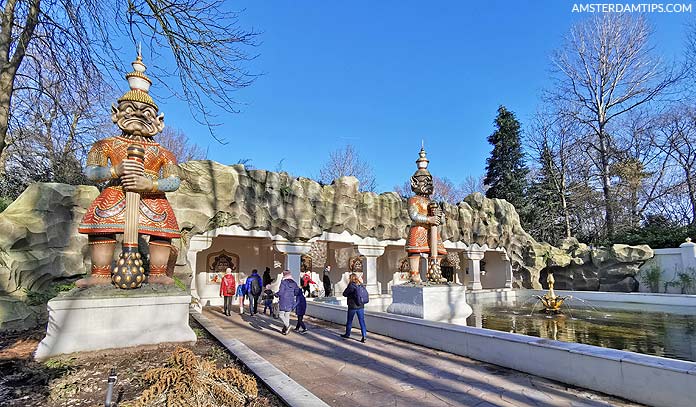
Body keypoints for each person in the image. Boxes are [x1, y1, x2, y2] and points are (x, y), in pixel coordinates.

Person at [76, 53, 180, 288]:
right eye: (130, 110)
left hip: (152, 197)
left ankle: (158, 272)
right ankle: (100, 273)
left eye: (146, 113)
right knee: (102, 228)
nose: (138, 116)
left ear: (158, 121)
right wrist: (115, 170)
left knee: (162, 232)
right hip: (116, 192)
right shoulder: (105, 145)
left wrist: (151, 185)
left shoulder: (164, 153)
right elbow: (91, 171)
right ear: (117, 112)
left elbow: (173, 181)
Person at [341, 273, 367, 343]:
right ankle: (364, 335)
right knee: (362, 321)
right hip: (361, 306)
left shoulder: (351, 285)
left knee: (349, 321)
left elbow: (344, 294)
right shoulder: (361, 285)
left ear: (351, 278)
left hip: (352, 306)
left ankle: (347, 334)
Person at [276, 269, 299, 335]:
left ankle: (288, 326)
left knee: (281, 315)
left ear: (284, 275)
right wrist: (291, 294)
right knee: (287, 315)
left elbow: (281, 292)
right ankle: (285, 330)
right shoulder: (294, 282)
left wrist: (276, 294)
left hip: (283, 300)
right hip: (290, 300)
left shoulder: (283, 282)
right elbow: (297, 291)